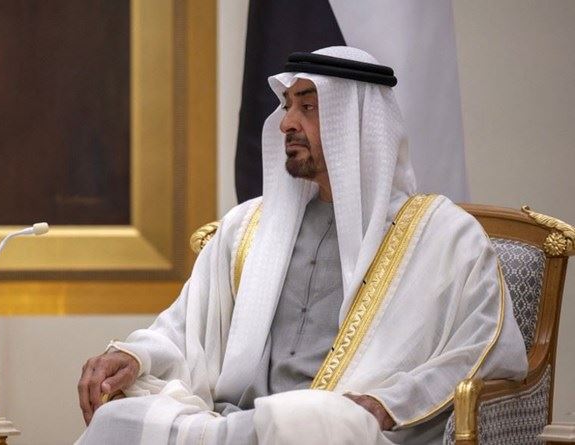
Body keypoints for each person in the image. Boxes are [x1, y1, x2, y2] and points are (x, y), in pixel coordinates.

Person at [76, 46, 527, 444]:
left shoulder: (441, 235)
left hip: (343, 427)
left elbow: (483, 349)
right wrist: (135, 355)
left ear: (355, 124)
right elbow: (185, 327)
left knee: (305, 424)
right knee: (119, 419)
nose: (287, 123)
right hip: (239, 421)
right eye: (288, 106)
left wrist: (390, 402)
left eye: (308, 107)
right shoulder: (248, 226)